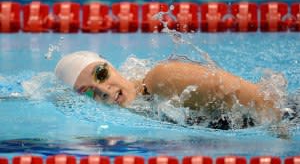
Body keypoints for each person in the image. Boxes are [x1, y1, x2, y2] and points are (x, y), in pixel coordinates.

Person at [55, 51, 282, 129]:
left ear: (111, 65)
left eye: (101, 74)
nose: (103, 90)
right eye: (88, 92)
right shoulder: (140, 108)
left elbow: (257, 98)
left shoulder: (160, 78)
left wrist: (281, 135)